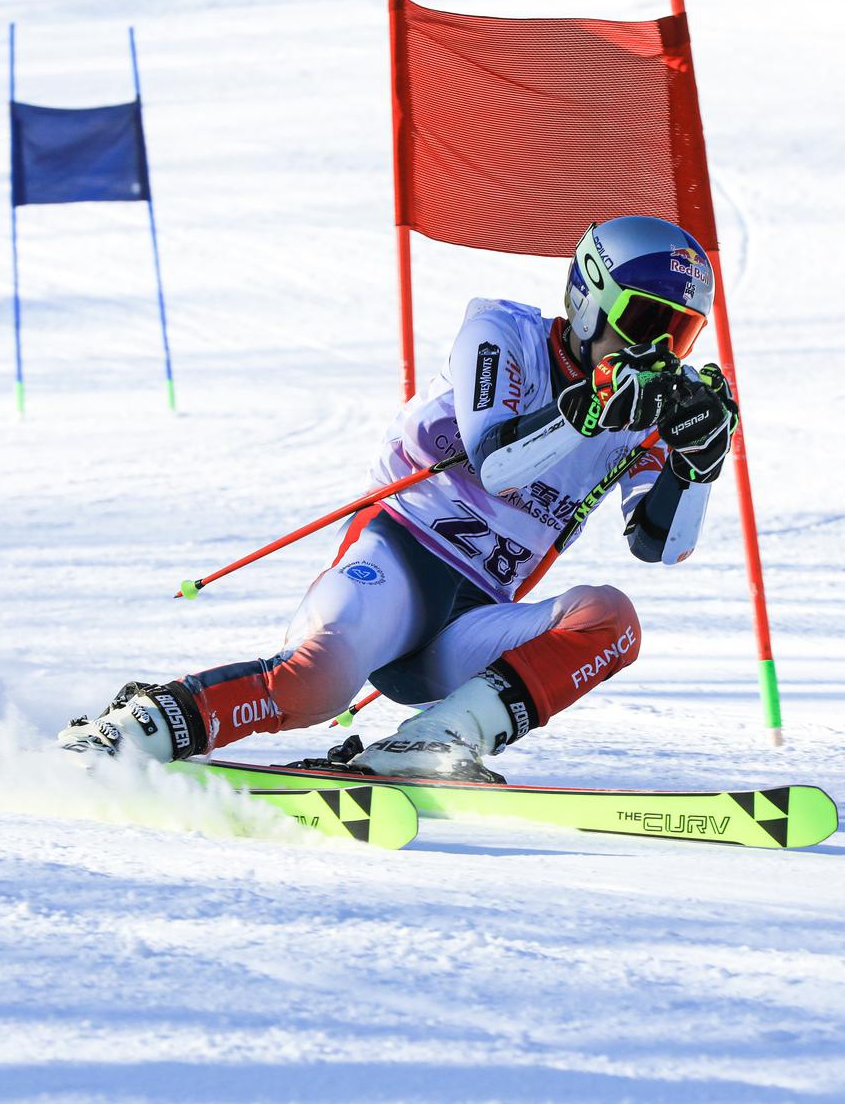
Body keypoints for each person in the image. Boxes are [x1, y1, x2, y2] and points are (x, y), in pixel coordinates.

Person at [57, 215, 740, 781]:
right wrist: (587, 411)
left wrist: (697, 461)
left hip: (472, 619)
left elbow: (661, 545)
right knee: (316, 685)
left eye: (678, 333)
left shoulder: (642, 412)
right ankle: (130, 731)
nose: (656, 349)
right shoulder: (503, 333)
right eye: (644, 320)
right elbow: (497, 462)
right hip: (399, 559)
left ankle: (435, 740)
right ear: (588, 299)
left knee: (611, 620)